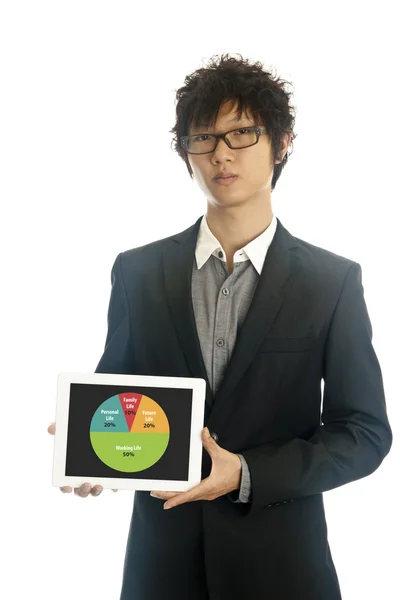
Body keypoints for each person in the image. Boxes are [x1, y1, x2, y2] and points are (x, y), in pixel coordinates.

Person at [48, 53, 392, 599]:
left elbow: (365, 433)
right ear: (186, 153)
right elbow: (123, 399)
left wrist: (248, 474)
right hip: (162, 571)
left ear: (281, 144)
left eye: (242, 134)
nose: (221, 154)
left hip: (284, 571)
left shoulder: (332, 282)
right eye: (203, 138)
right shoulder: (137, 272)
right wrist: (91, 451)